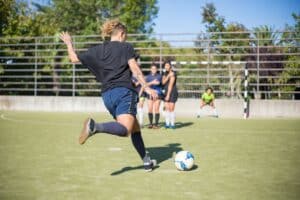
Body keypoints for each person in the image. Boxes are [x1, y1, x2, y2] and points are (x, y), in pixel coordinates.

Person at [59, 19, 158, 172]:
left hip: (107, 96)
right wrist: (146, 87)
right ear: (122, 34)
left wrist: (69, 43)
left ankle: (146, 161)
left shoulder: (97, 50)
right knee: (125, 129)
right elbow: (135, 69)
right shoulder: (126, 47)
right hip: (124, 92)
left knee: (135, 128)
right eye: (126, 36)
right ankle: (95, 127)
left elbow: (73, 59)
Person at [145, 64, 164, 129]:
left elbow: (158, 83)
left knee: (156, 109)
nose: (154, 70)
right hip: (149, 94)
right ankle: (150, 124)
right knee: (150, 109)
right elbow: (145, 85)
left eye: (155, 69)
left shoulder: (159, 76)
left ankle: (156, 124)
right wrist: (152, 82)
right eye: (152, 69)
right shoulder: (147, 77)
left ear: (157, 69)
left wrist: (150, 84)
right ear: (150, 69)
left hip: (157, 94)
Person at [162, 61, 178, 129]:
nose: (166, 67)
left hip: (172, 92)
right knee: (167, 108)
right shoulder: (165, 74)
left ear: (170, 66)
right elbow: (163, 82)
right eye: (165, 65)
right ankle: (167, 124)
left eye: (168, 65)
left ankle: (172, 124)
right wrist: (168, 76)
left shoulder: (173, 73)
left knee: (171, 109)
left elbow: (170, 85)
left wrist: (168, 95)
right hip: (165, 92)